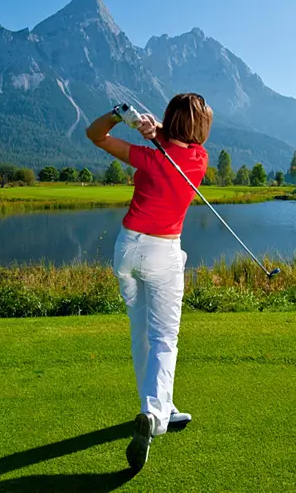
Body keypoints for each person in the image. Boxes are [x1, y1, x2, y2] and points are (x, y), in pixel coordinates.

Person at [85, 93, 212, 472]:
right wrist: (155, 133)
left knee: (141, 332)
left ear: (169, 122)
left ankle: (158, 404)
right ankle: (156, 417)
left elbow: (95, 135)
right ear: (200, 130)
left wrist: (119, 118)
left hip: (126, 250)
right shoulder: (200, 161)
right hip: (162, 254)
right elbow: (179, 148)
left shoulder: (148, 157)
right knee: (164, 338)